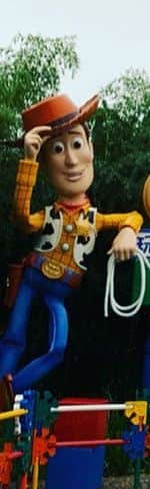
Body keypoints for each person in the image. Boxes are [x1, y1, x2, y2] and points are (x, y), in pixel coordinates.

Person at [0, 94, 141, 394]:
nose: (71, 160)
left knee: (58, 347)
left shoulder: (95, 218)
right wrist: (28, 160)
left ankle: (8, 392)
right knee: (14, 336)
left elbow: (132, 216)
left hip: (60, 291)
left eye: (77, 144)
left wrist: (128, 232)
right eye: (58, 149)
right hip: (31, 279)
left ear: (91, 147)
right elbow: (23, 220)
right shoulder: (48, 214)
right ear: (45, 161)